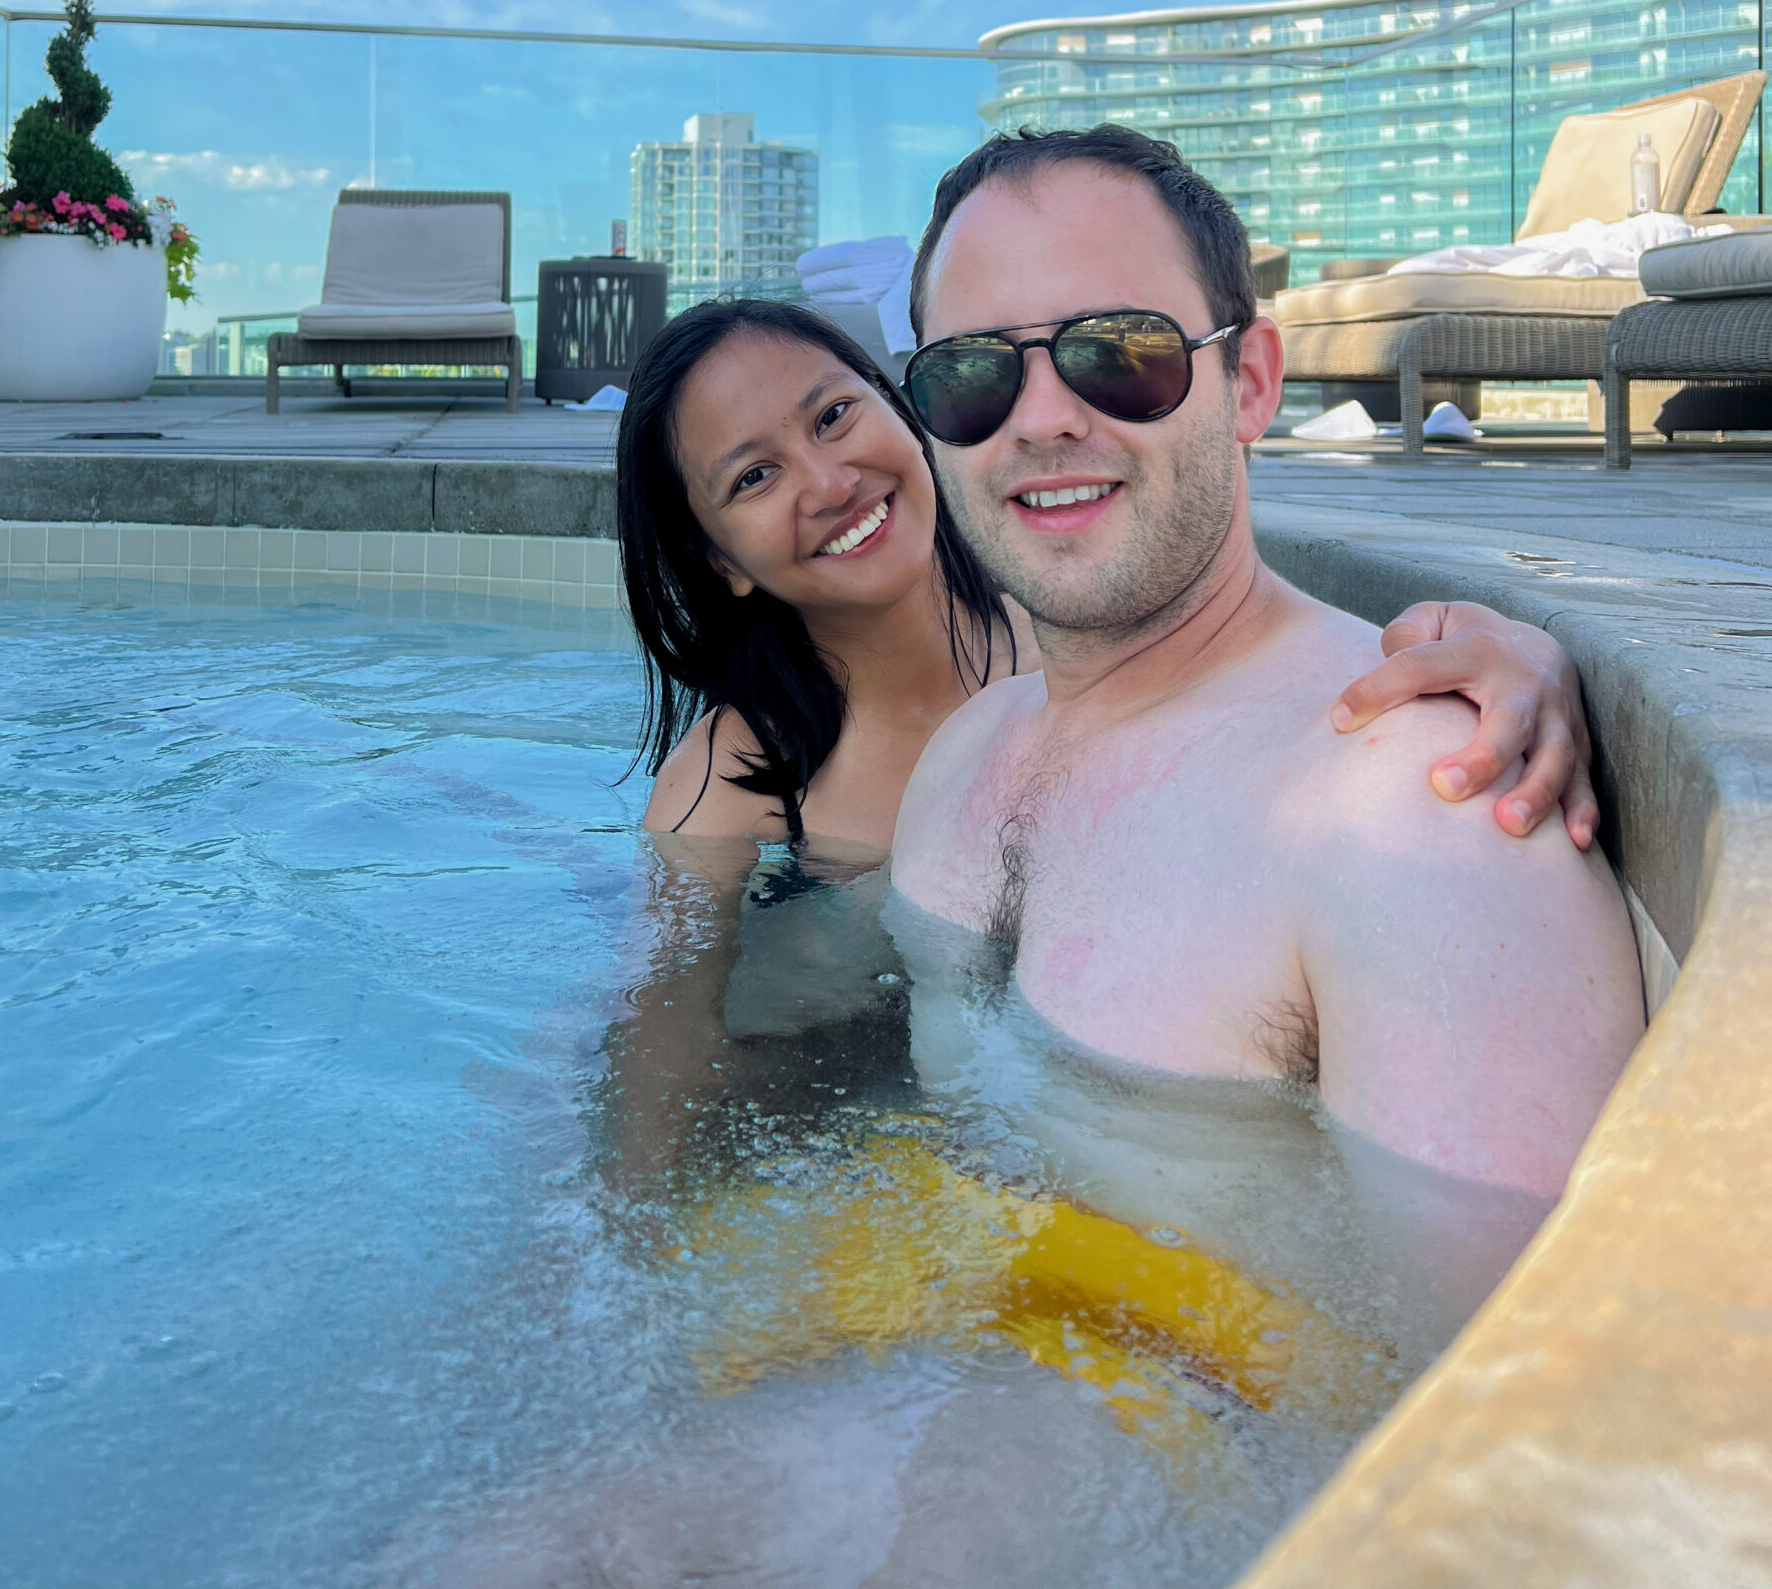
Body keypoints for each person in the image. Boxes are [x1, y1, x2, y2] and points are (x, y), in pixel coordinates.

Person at [887, 125, 1643, 1200]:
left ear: (1249, 384)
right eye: (971, 375)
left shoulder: (1415, 800)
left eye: (1120, 350)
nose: (1044, 418)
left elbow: (1513, 1355)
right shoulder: (959, 759)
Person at [622, 297, 1598, 861]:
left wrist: (1511, 655)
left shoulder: (1089, 625)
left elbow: (1289, 664)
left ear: (900, 404)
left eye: (834, 415)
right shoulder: (728, 797)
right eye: (754, 475)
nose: (829, 482)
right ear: (717, 558)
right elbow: (660, 1094)